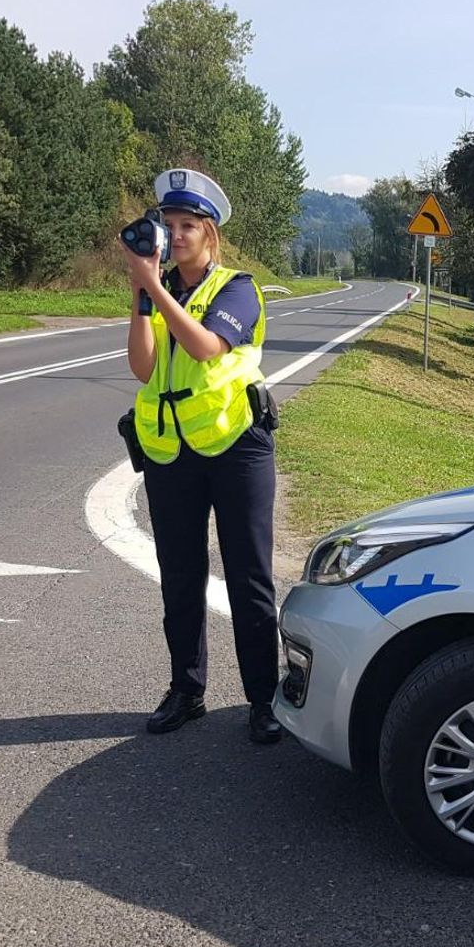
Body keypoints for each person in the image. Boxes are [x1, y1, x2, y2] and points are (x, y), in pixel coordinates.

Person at [123, 168, 282, 744]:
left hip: (237, 446)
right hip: (172, 452)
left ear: (210, 234)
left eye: (187, 225)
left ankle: (264, 700)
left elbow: (207, 346)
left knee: (249, 578)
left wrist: (156, 290)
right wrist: (142, 296)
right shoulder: (154, 288)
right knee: (181, 579)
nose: (175, 234)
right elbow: (143, 368)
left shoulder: (238, 287)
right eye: (167, 224)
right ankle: (185, 690)